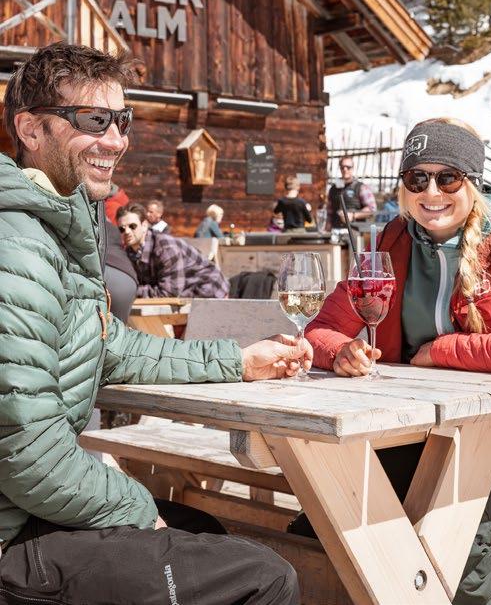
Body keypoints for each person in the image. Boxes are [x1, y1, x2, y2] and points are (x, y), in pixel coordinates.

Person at [0, 42, 310, 605]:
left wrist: (238, 360)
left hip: (26, 509)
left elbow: (109, 345)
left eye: (122, 120)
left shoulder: (55, 224)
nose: (116, 139)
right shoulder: (16, 243)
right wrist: (138, 509)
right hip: (11, 535)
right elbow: (28, 452)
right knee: (263, 578)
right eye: (92, 120)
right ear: (31, 129)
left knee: (205, 533)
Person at [306, 117, 491, 605]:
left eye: (448, 178)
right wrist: (342, 352)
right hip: (420, 433)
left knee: (454, 534)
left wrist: (440, 351)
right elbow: (319, 329)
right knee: (334, 516)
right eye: (417, 178)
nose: (432, 192)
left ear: (473, 183)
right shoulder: (392, 243)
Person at [117, 202, 230, 299]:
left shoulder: (166, 248)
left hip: (211, 291)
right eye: (122, 229)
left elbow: (168, 293)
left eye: (132, 226)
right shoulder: (129, 252)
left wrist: (131, 291)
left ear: (144, 225)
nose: (127, 232)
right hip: (183, 294)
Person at [326, 154, 376, 229]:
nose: (345, 169)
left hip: (354, 231)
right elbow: (329, 212)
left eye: (348, 167)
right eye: (342, 167)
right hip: (336, 230)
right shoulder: (333, 189)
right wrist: (327, 227)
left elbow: (372, 209)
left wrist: (353, 215)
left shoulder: (361, 187)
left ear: (353, 168)